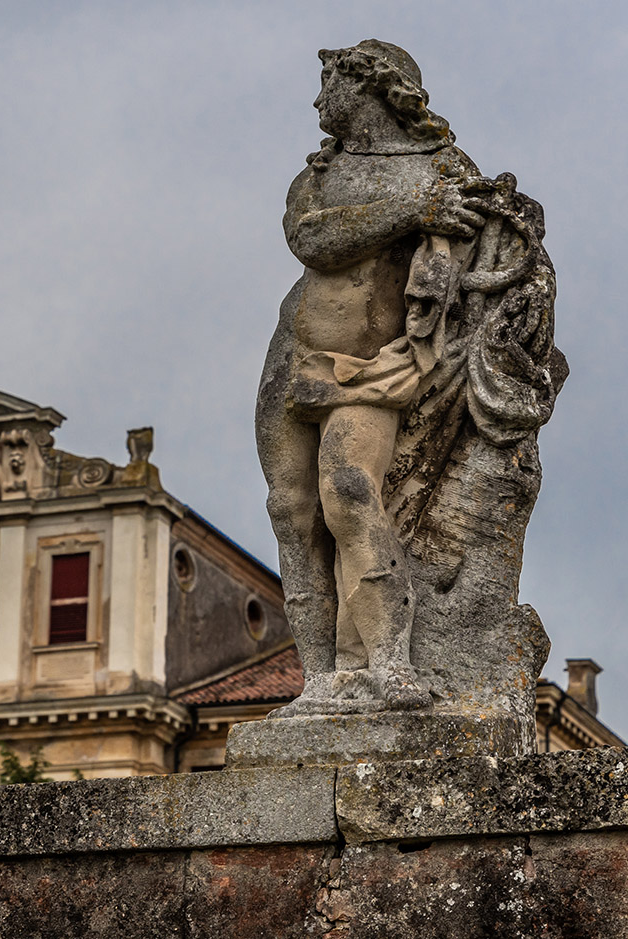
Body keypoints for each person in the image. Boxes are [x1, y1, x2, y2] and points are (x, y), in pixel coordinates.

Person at [256, 40, 487, 713]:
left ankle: (387, 663)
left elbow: (467, 263)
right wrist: (411, 212)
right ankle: (320, 680)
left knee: (350, 493)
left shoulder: (443, 169)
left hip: (375, 367)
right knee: (291, 512)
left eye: (328, 84)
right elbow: (310, 240)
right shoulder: (318, 176)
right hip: (292, 355)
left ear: (369, 85)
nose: (317, 100)